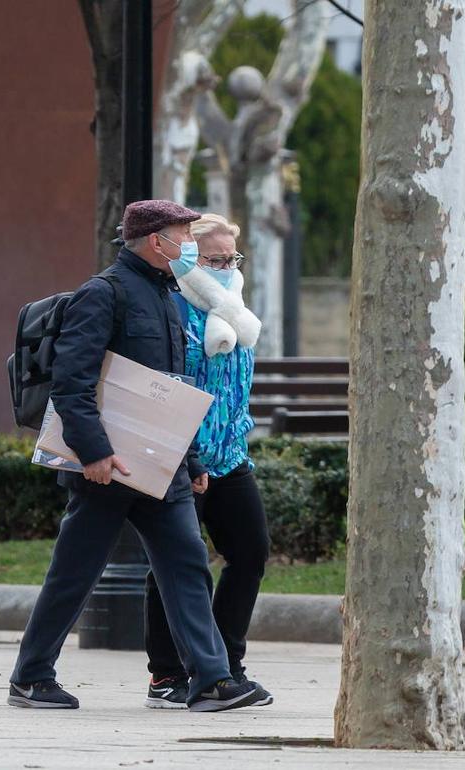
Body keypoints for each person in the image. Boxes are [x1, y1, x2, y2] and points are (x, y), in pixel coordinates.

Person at [6, 200, 268, 713]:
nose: (188, 246)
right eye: (182, 236)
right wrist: (94, 453)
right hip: (106, 471)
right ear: (156, 242)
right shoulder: (102, 294)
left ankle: (211, 681)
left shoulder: (165, 294)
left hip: (159, 467)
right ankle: (31, 677)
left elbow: (169, 392)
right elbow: (72, 383)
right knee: (75, 573)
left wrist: (190, 461)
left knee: (187, 564)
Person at [140, 214, 273, 710]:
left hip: (229, 455)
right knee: (176, 563)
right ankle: (168, 675)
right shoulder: (170, 307)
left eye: (231, 257)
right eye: (214, 259)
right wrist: (184, 454)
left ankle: (225, 665)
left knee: (250, 552)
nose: (226, 267)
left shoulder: (233, 309)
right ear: (189, 259)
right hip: (179, 455)